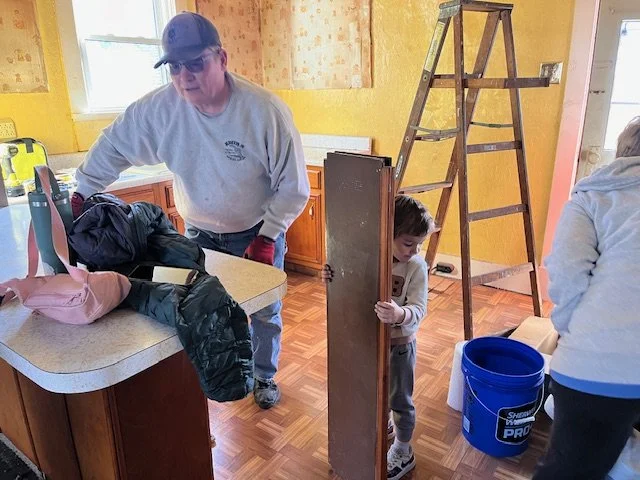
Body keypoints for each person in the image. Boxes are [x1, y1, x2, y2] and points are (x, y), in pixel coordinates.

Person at [72, 12, 310, 409]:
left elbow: (293, 186)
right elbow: (113, 145)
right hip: (197, 234)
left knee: (265, 311)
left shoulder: (263, 111)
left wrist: (269, 235)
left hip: (256, 232)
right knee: (202, 308)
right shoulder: (159, 110)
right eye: (175, 67)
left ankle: (263, 375)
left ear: (222, 58)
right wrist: (81, 192)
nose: (185, 76)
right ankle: (217, 375)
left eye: (196, 63)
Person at [533, 117, 640, 479]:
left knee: (570, 469)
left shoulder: (593, 196)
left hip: (599, 365)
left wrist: (572, 333)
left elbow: (567, 272)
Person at [322, 195, 435, 480]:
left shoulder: (416, 267)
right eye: (408, 243)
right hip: (372, 343)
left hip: (400, 348)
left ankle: (404, 450)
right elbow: (352, 283)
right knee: (374, 394)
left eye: (419, 244)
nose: (414, 250)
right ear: (388, 234)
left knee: (400, 400)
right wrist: (331, 276)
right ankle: (384, 427)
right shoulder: (373, 256)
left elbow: (419, 309)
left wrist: (400, 314)